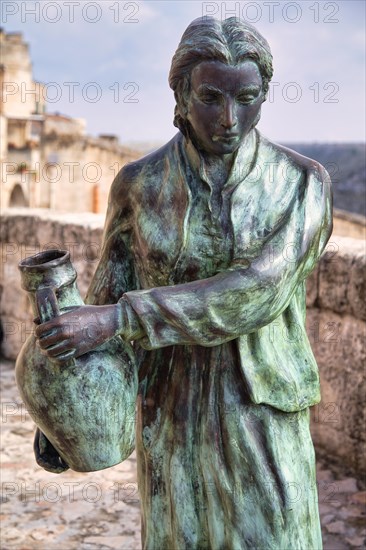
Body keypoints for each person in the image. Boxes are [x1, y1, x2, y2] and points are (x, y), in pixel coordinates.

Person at [35, 17, 332, 550]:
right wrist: (60, 411)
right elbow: (104, 295)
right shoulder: (140, 185)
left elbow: (257, 291)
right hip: (170, 407)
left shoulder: (302, 184)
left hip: (259, 409)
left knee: (277, 538)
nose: (229, 118)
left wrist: (119, 317)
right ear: (180, 94)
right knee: (178, 539)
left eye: (247, 97)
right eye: (211, 97)